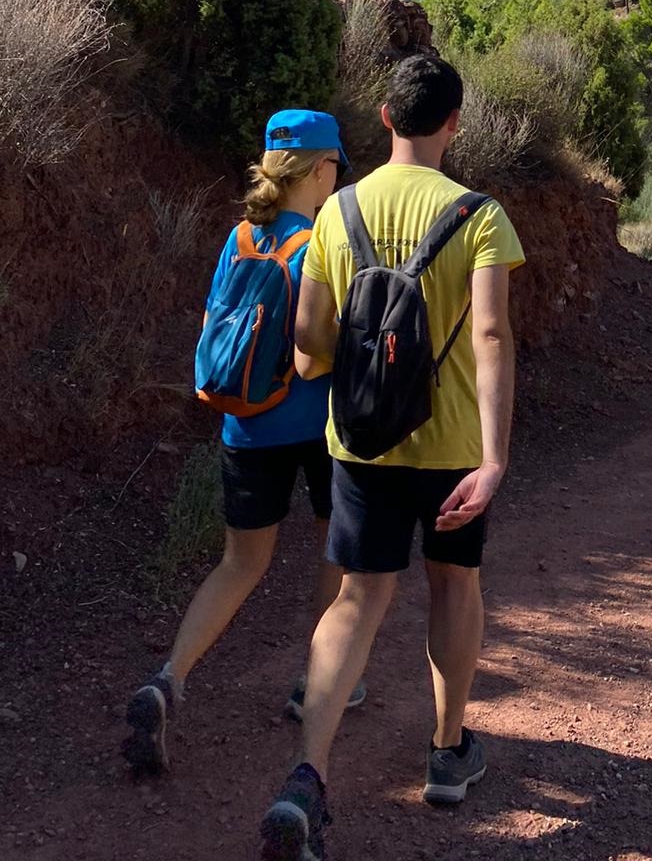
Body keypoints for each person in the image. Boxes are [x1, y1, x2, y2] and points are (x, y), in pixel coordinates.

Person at [259, 54, 524, 861]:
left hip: (363, 445)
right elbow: (490, 336)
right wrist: (495, 457)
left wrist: (336, 365)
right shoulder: (481, 215)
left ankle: (307, 775)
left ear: (384, 117)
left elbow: (309, 341)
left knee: (357, 599)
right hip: (453, 449)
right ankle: (446, 754)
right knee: (454, 584)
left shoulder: (338, 211)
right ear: (454, 124)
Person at [123, 110, 360, 777]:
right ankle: (315, 685)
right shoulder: (321, 243)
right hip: (317, 428)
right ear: (319, 169)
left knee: (240, 563)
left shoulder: (241, 235)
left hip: (245, 425)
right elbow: (321, 345)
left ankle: (168, 678)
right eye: (336, 165)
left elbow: (212, 325)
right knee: (336, 552)